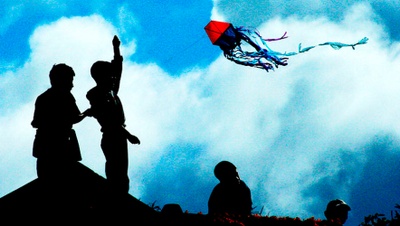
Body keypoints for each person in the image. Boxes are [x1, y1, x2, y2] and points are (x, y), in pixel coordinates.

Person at [86, 35, 140, 193]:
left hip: (118, 136)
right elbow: (110, 121)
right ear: (101, 77)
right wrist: (128, 135)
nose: (113, 77)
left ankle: (121, 196)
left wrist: (116, 48)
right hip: (112, 136)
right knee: (117, 172)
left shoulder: (111, 90)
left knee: (122, 173)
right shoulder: (96, 95)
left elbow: (118, 68)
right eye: (109, 75)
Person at [32, 63, 91, 180]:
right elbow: (75, 117)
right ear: (61, 80)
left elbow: (35, 122)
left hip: (45, 147)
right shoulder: (66, 96)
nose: (72, 85)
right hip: (61, 145)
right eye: (70, 80)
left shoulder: (42, 98)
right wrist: (87, 112)